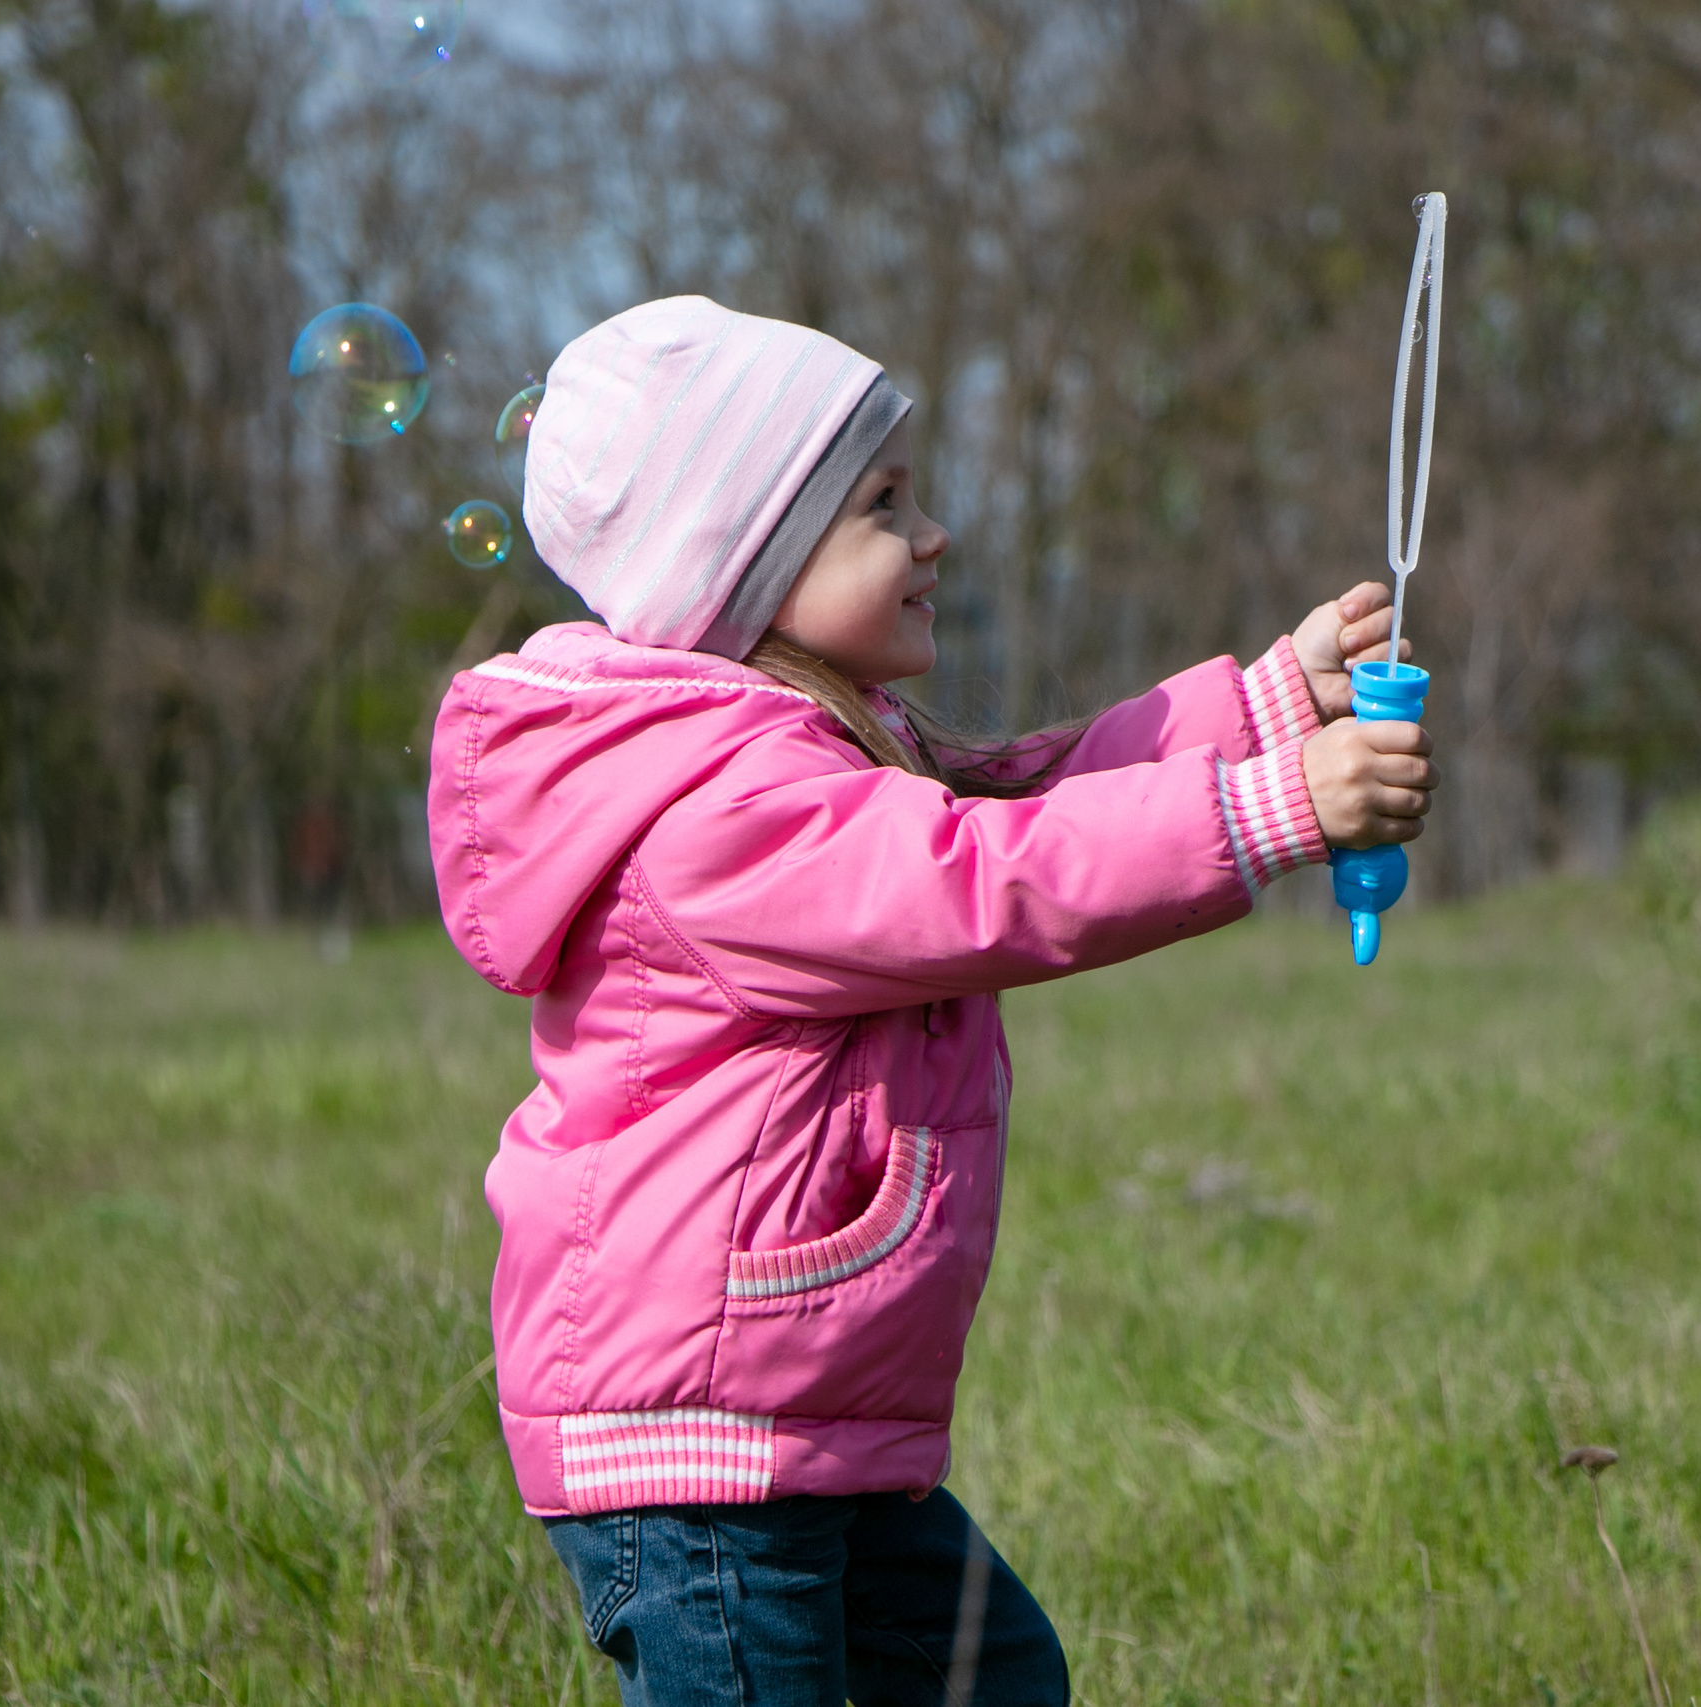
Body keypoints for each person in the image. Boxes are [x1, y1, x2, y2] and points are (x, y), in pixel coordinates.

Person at [426, 296, 1438, 1707]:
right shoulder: (722, 808)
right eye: (884, 505)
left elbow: (1015, 798)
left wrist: (1262, 713)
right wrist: (1268, 811)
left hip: (800, 1414)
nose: (935, 535)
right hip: (704, 1447)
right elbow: (984, 877)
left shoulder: (811, 747)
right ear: (751, 562)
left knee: (1002, 1679)